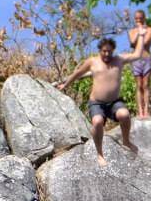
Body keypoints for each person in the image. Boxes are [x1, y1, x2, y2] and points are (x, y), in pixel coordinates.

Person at [55, 34, 145, 167]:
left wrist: (141, 35)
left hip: (114, 102)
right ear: (100, 50)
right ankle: (100, 154)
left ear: (113, 51)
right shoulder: (92, 61)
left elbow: (137, 54)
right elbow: (77, 73)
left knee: (125, 115)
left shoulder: (119, 60)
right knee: (97, 122)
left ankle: (126, 141)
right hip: (97, 103)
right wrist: (65, 84)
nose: (107, 54)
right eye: (104, 51)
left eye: (109, 51)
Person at [127, 10, 151, 118]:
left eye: (140, 18)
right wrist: (139, 32)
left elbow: (146, 42)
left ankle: (147, 109)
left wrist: (142, 31)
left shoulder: (150, 30)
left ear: (144, 18)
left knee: (146, 84)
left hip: (146, 58)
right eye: (136, 18)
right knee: (139, 85)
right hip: (136, 60)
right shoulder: (132, 31)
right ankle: (140, 110)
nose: (138, 20)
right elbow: (132, 42)